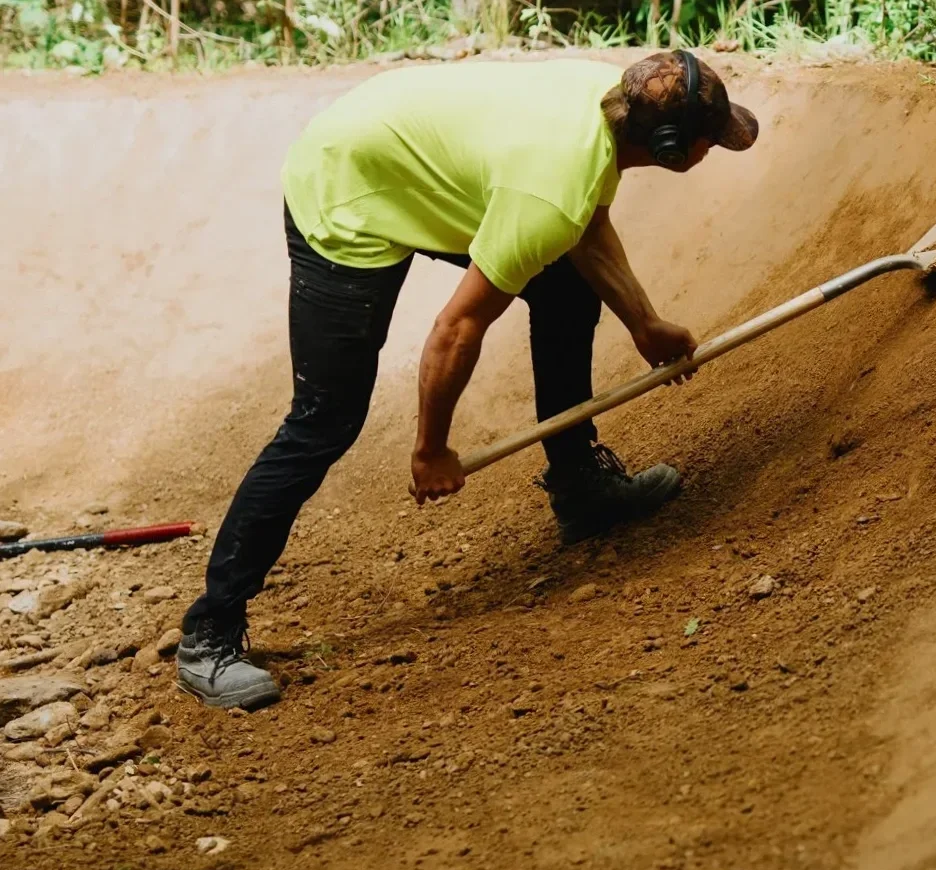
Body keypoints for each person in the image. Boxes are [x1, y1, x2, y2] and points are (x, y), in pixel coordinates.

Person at [175, 51, 759, 710]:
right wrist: (431, 449)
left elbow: (585, 225)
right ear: (670, 146)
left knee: (566, 289)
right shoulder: (551, 184)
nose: (719, 146)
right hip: (346, 186)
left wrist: (643, 322)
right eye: (712, 138)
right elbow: (455, 329)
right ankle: (210, 633)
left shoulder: (604, 106)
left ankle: (580, 488)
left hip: (415, 156)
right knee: (323, 418)